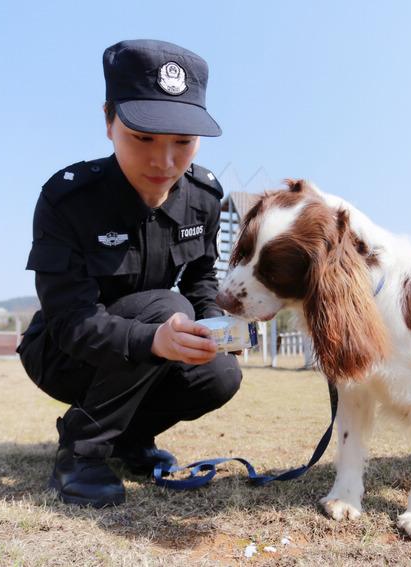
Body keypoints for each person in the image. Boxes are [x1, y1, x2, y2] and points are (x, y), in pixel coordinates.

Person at [17, 39, 242, 508]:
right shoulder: (68, 201)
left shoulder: (203, 197)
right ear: (108, 121)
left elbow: (201, 281)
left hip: (150, 347)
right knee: (167, 306)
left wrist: (215, 329)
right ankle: (81, 453)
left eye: (182, 142)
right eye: (143, 138)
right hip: (64, 353)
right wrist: (154, 339)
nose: (164, 162)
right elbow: (69, 321)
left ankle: (131, 437)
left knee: (220, 374)